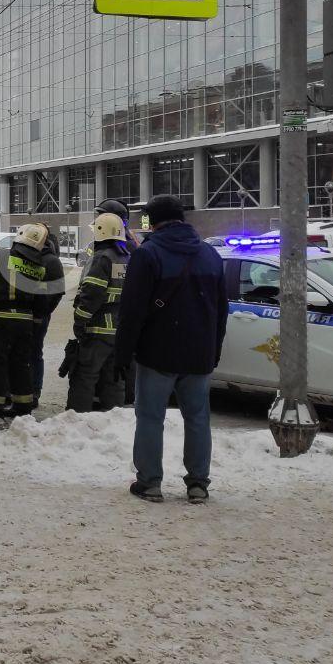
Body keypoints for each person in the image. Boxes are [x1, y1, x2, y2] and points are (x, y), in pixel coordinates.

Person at [115, 194, 228, 505]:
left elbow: (132, 312)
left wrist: (122, 354)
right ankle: (198, 485)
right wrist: (213, 350)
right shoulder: (210, 255)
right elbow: (221, 310)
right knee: (198, 418)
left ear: (153, 221)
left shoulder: (147, 255)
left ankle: (150, 483)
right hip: (199, 354)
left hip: (157, 353)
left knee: (151, 417)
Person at [0, 222, 54, 420]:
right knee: (20, 364)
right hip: (25, 322)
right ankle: (23, 407)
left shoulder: (2, 255)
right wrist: (37, 322)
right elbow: (41, 300)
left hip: (0, 320)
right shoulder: (37, 266)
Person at [66, 212, 130, 412]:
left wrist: (80, 321)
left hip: (98, 329)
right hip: (120, 330)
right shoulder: (127, 257)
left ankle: (77, 420)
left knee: (84, 376)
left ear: (101, 232)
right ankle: (113, 420)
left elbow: (92, 294)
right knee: (114, 380)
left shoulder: (102, 258)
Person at [30, 226, 66, 400]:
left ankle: (34, 392)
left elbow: (57, 292)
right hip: (27, 315)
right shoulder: (29, 256)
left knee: (34, 352)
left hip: (38, 316)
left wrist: (42, 314)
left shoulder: (50, 261)